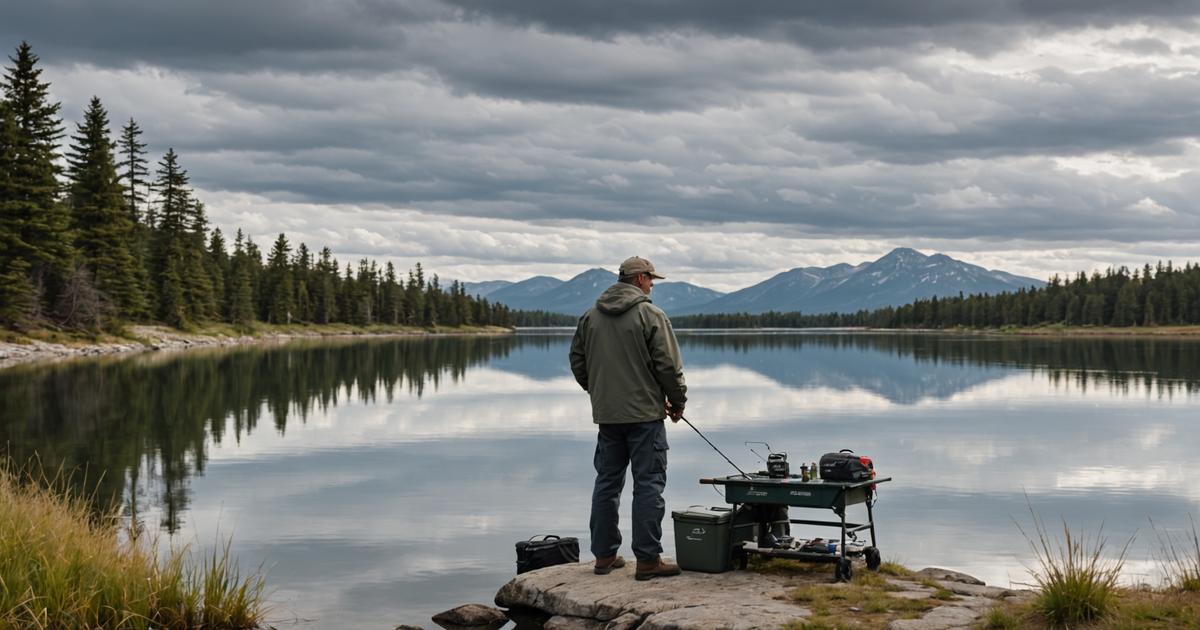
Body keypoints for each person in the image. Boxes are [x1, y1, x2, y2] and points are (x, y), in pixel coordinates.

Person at [569, 255, 688, 581]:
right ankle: (648, 560)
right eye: (651, 280)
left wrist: (600, 392)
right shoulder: (650, 314)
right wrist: (677, 402)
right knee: (649, 485)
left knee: (606, 484)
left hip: (608, 417)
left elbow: (577, 361)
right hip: (646, 419)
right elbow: (668, 366)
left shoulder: (591, 316)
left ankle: (605, 556)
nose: (652, 286)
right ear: (639, 279)